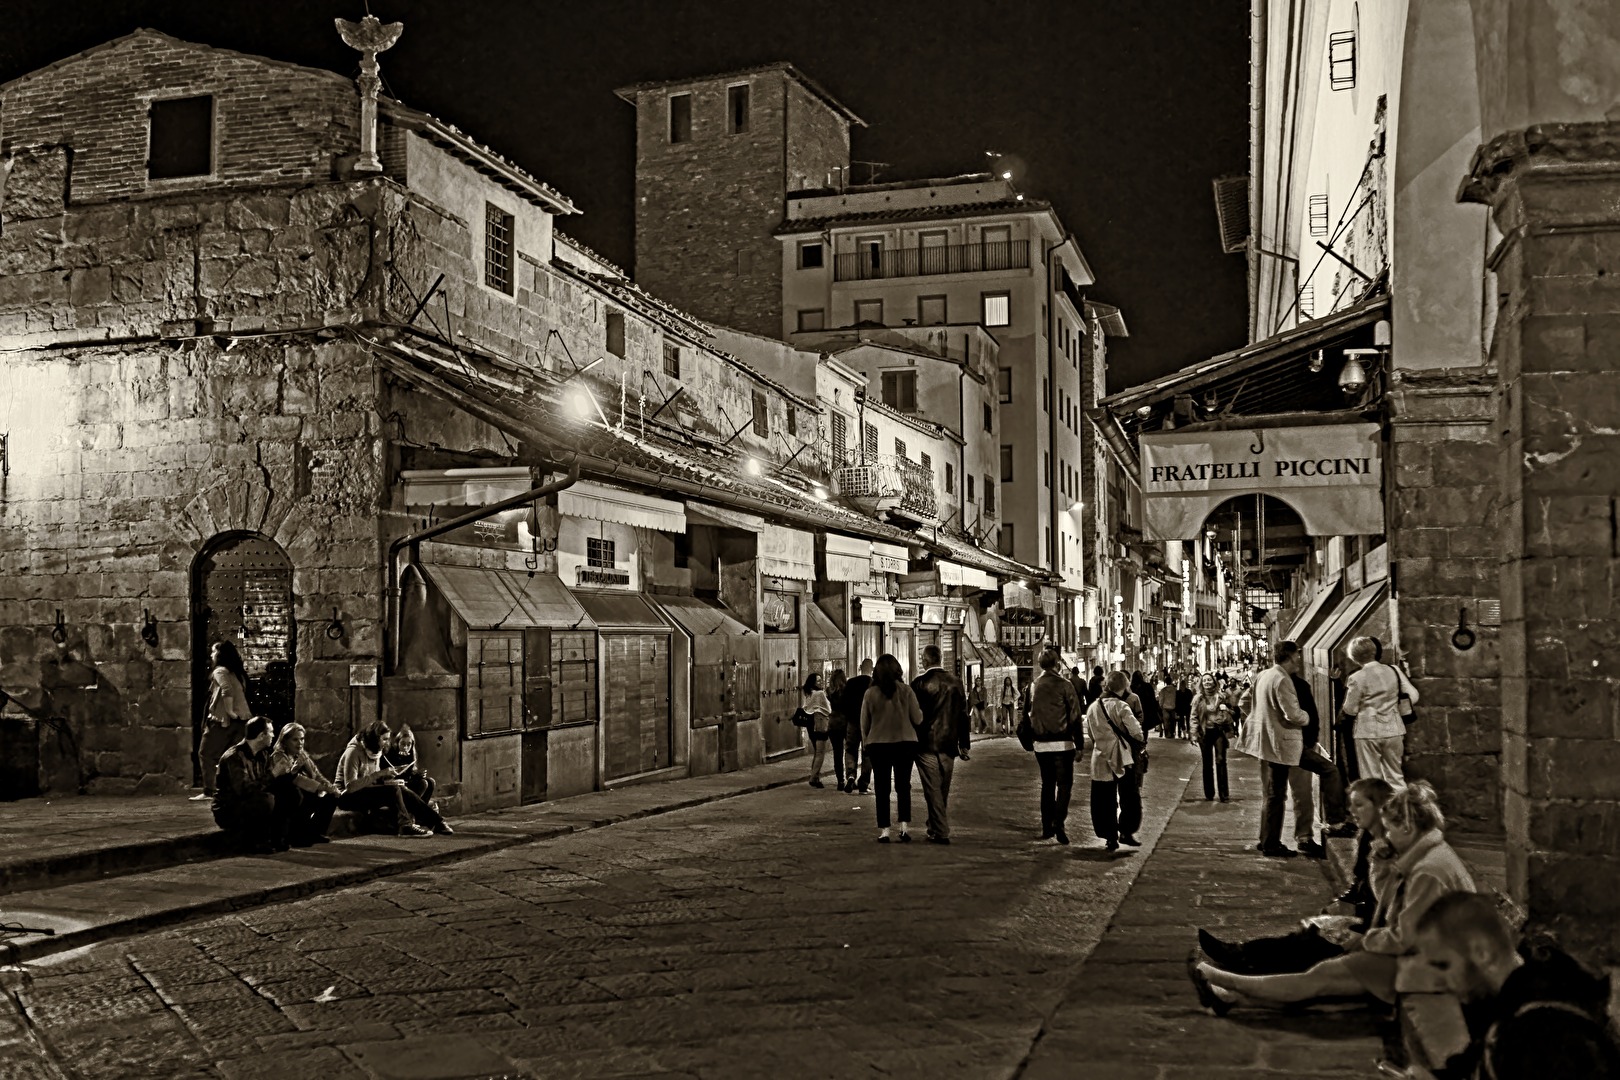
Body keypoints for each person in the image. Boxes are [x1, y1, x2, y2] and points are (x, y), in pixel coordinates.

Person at [1189, 780, 1475, 1015]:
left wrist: (1361, 941)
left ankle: (1224, 980)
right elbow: (1390, 907)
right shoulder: (1425, 856)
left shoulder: (1428, 871)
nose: (1385, 835)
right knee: (1326, 982)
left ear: (1407, 828)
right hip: (1427, 958)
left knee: (1321, 979)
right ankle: (1231, 997)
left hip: (1432, 966)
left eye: (1388, 829)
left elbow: (1403, 937)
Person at [1196, 778, 1398, 975]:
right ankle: (1244, 953)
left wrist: (1356, 920)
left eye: (1359, 805)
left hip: (1378, 926)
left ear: (1379, 807)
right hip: (1368, 918)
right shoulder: (1368, 839)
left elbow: (1386, 899)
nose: (1352, 812)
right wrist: (1344, 902)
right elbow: (1359, 882)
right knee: (1308, 934)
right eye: (1352, 805)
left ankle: (1246, 959)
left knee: (1313, 942)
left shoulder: (1390, 847)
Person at [1410, 892, 1620, 1080]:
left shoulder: (1543, 1030)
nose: (1439, 981)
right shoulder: (1509, 1006)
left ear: (1482, 953)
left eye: (1443, 965)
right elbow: (1472, 1065)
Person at [1248, 640, 1312, 859]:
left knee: (1272, 794)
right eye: (1297, 656)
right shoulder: (1282, 679)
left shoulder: (1263, 675)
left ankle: (1266, 839)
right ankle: (1272, 843)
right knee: (1277, 795)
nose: (1299, 660)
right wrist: (1307, 718)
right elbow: (1293, 715)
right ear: (1290, 656)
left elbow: (1248, 703)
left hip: (1267, 742)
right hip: (1281, 743)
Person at [336, 722, 452, 836]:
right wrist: (379, 774)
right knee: (393, 790)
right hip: (346, 797)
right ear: (374, 739)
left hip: (365, 790)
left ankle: (437, 822)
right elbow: (350, 786)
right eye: (384, 739)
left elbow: (373, 780)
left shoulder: (375, 751)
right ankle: (406, 826)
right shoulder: (353, 752)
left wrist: (387, 777)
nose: (387, 743)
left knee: (402, 788)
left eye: (388, 739)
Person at [1288, 662, 1356, 854]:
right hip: (1296, 744)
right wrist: (1309, 735)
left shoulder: (1266, 680)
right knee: (1308, 786)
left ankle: (1270, 840)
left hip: (1273, 747)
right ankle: (1322, 829)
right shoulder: (1296, 685)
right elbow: (1306, 715)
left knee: (1275, 793)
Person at [911, 645, 970, 845]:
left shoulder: (918, 684)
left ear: (925, 661)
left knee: (932, 789)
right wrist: (965, 743)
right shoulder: (956, 683)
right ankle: (934, 826)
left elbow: (913, 715)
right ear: (941, 659)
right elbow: (963, 715)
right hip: (949, 743)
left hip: (925, 744)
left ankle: (941, 830)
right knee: (941, 788)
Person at [861, 653, 921, 843]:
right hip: (905, 743)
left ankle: (885, 830)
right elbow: (918, 718)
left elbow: (864, 723)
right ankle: (904, 828)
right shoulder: (906, 691)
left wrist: (865, 744)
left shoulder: (870, 693)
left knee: (882, 787)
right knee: (903, 786)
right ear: (898, 670)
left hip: (878, 745)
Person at [212, 716, 293, 853]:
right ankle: (257, 843)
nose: (274, 735)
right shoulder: (235, 757)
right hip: (229, 808)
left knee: (289, 791)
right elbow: (244, 790)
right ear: (262, 735)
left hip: (250, 800)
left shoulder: (263, 755)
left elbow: (268, 783)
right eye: (271, 732)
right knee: (265, 800)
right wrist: (273, 774)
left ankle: (278, 838)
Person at [1342, 635, 1415, 788]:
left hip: (1368, 732)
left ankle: (1377, 810)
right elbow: (1411, 696)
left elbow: (1350, 709)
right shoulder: (1393, 670)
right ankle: (1400, 809)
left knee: (1371, 779)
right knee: (1395, 776)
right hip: (1394, 729)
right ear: (1374, 651)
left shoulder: (1357, 678)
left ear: (1354, 657)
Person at [1028, 648, 1085, 844]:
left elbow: (1029, 713)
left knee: (1047, 785)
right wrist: (1079, 744)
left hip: (1041, 745)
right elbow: (1075, 717)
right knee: (1064, 785)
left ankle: (1047, 827)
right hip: (1063, 744)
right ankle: (1058, 822)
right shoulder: (1065, 685)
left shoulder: (1034, 686)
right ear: (1057, 664)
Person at [1086, 670, 1144, 852]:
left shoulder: (1093, 707)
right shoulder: (1121, 707)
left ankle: (1109, 836)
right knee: (1129, 796)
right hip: (1122, 757)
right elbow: (1137, 732)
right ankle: (1126, 830)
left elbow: (1090, 733)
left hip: (1100, 756)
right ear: (1124, 686)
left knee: (1104, 798)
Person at [194, 640, 252, 800]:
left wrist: (229, 712)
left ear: (220, 655)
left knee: (206, 753)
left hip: (223, 721)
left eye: (214, 652)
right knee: (234, 756)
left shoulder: (220, 671)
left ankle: (210, 791)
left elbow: (227, 689)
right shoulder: (236, 673)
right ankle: (235, 790)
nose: (211, 655)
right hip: (242, 720)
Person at [269, 723, 339, 847]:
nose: (300, 743)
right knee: (304, 797)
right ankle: (297, 836)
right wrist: (319, 787)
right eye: (295, 739)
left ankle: (314, 833)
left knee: (330, 798)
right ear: (285, 741)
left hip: (308, 788)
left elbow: (316, 773)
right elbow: (293, 778)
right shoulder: (279, 756)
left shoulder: (301, 754)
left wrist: (329, 787)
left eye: (302, 739)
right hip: (290, 792)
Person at [1189, 674, 1234, 802]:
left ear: (1214, 682)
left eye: (1209, 680)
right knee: (1207, 763)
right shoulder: (1198, 699)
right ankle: (1209, 793)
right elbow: (1193, 717)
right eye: (1204, 680)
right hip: (1204, 733)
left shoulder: (1222, 697)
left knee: (1220, 760)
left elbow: (1232, 713)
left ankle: (1224, 794)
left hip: (1218, 732)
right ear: (1201, 683)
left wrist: (1227, 710)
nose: (1207, 682)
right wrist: (1193, 734)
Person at [381, 715, 435, 806]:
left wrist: (418, 774)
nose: (406, 747)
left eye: (409, 744)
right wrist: (400, 759)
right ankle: (413, 811)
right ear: (397, 743)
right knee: (423, 783)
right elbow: (391, 776)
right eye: (403, 744)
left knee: (431, 781)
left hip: (407, 783)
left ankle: (420, 812)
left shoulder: (411, 755)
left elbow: (410, 775)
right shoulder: (390, 754)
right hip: (397, 785)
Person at [841, 660, 873, 793]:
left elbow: (844, 703)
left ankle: (850, 775)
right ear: (872, 669)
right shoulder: (873, 684)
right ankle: (864, 782)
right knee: (868, 753)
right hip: (869, 724)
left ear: (860, 668)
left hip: (852, 722)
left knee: (850, 750)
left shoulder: (851, 682)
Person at [800, 671, 835, 788]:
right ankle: (814, 777)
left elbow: (806, 707)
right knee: (820, 752)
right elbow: (828, 708)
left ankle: (814, 776)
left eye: (821, 680)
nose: (821, 682)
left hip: (811, 724)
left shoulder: (809, 693)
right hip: (820, 722)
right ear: (813, 682)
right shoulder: (819, 694)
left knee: (816, 751)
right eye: (818, 681)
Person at [825, 668, 850, 793]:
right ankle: (850, 776)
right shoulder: (847, 691)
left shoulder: (829, 691)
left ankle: (840, 780)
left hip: (833, 723)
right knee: (849, 751)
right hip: (845, 722)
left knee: (837, 753)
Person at [1131, 671, 1161, 735]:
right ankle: (1144, 741)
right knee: (1145, 729)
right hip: (1146, 711)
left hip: (1134, 711)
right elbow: (1152, 699)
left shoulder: (1131, 688)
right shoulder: (1147, 686)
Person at [1175, 676, 1195, 742]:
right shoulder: (1188, 692)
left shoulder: (1178, 692)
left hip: (1181, 709)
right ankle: (1189, 735)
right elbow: (1191, 700)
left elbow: (1176, 702)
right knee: (1188, 721)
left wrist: (1176, 710)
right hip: (1187, 708)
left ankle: (1184, 735)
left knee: (1182, 721)